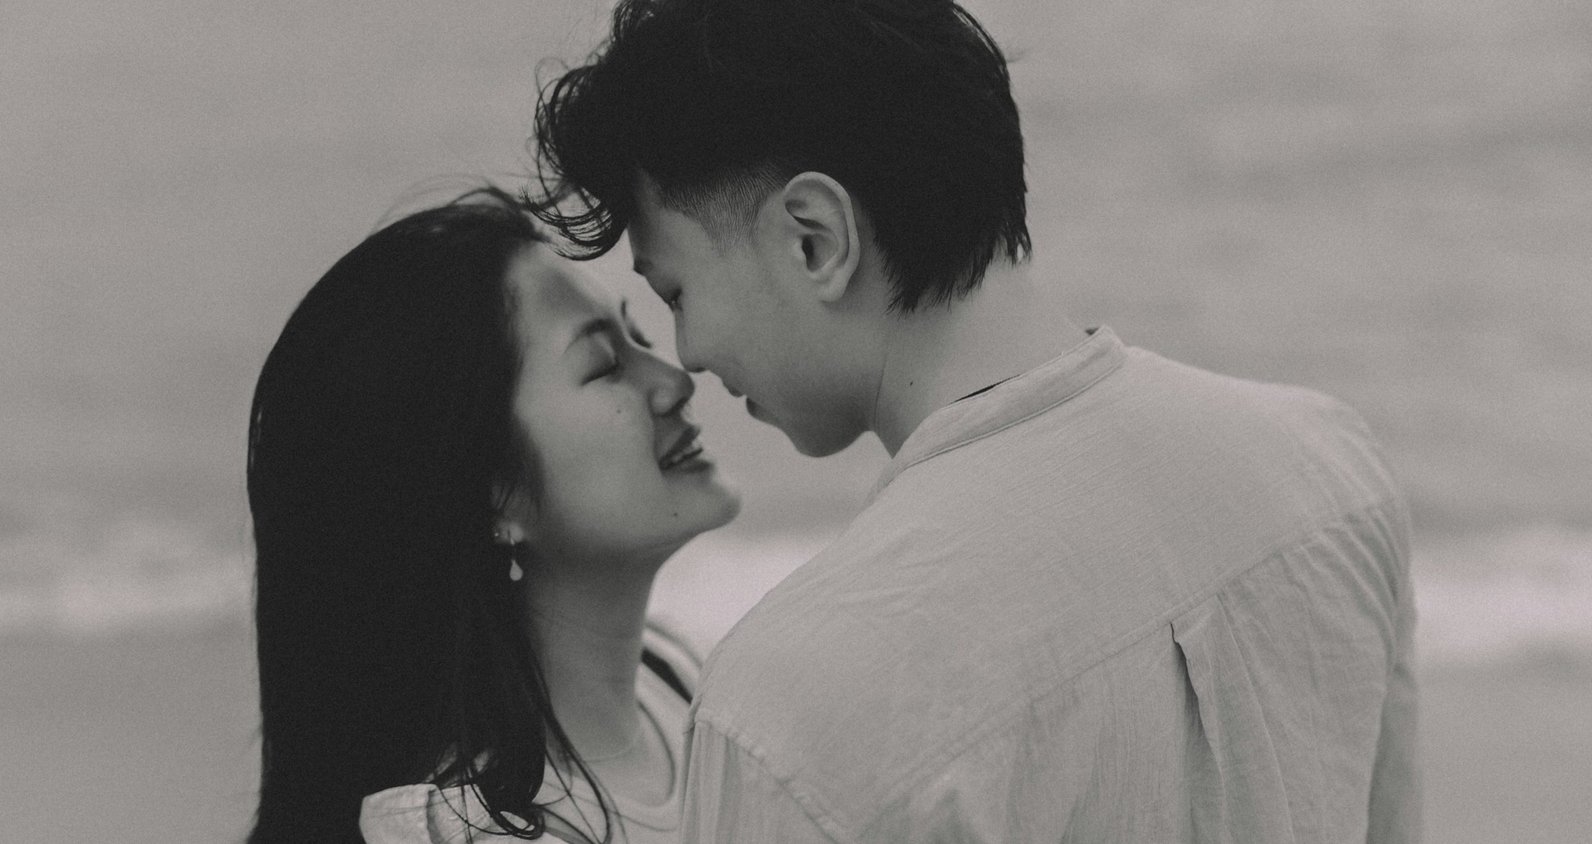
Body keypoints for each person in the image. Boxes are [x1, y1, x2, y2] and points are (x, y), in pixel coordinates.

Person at [524, 0, 1421, 841]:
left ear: (815, 240)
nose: (687, 354)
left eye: (675, 291)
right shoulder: (1330, 465)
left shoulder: (789, 705)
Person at [246, 187, 740, 844]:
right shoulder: (473, 829)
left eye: (641, 334)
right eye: (603, 364)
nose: (674, 381)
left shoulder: (676, 674)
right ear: (491, 490)